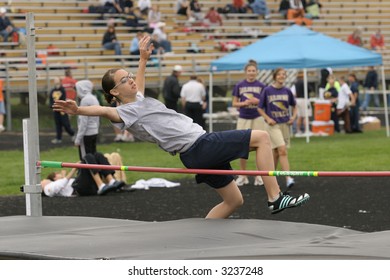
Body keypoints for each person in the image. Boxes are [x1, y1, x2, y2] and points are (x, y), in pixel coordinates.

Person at [53, 36, 310, 217]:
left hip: (195, 153)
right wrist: (79, 110)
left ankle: (199, 243)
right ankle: (276, 198)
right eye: (124, 80)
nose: (131, 80)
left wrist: (142, 60)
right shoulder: (123, 112)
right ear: (113, 91)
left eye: (129, 75)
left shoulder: (138, 100)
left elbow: (139, 84)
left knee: (234, 201)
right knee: (262, 137)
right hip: (200, 146)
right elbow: (104, 109)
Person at [258, 68, 297, 190]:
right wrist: (267, 118)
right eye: (279, 74)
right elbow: (259, 108)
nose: (282, 76)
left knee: (276, 153)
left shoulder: (287, 91)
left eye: (284, 74)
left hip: (284, 124)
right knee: (282, 150)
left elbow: (294, 106)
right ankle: (288, 178)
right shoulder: (267, 90)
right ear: (275, 76)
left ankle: (271, 179)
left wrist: (293, 118)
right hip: (272, 125)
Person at [232, 60, 266, 187]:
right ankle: (242, 175)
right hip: (243, 117)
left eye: (253, 70)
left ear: (256, 72)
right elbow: (234, 103)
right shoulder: (239, 85)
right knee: (242, 147)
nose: (251, 73)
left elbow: (265, 104)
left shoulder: (262, 86)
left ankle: (259, 175)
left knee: (259, 147)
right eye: (249, 70)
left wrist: (258, 101)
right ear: (246, 72)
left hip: (257, 117)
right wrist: (244, 103)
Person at [41, 152, 126, 197]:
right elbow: (59, 186)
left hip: (85, 185)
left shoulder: (56, 184)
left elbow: (62, 185)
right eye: (42, 181)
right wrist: (74, 168)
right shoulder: (47, 188)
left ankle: (111, 181)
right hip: (80, 188)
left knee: (97, 155)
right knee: (87, 157)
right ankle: (101, 186)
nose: (42, 180)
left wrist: (64, 176)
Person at [74, 80, 100, 160]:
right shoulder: (94, 98)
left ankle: (87, 173)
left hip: (86, 133)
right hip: (94, 131)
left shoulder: (85, 101)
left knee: (86, 159)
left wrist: (78, 138)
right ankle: (95, 172)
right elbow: (98, 117)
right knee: (93, 155)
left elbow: (83, 121)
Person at [49, 77, 75, 144]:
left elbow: (63, 99)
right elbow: (51, 101)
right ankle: (58, 138)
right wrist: (52, 106)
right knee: (58, 125)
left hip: (62, 110)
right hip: (56, 110)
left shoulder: (62, 90)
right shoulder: (52, 91)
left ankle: (73, 134)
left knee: (66, 124)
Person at [291, 71, 312, 136]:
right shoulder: (304, 82)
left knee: (299, 116)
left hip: (298, 100)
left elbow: (293, 92)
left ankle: (298, 131)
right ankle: (306, 131)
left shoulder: (295, 83)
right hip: (304, 99)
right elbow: (310, 89)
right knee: (306, 116)